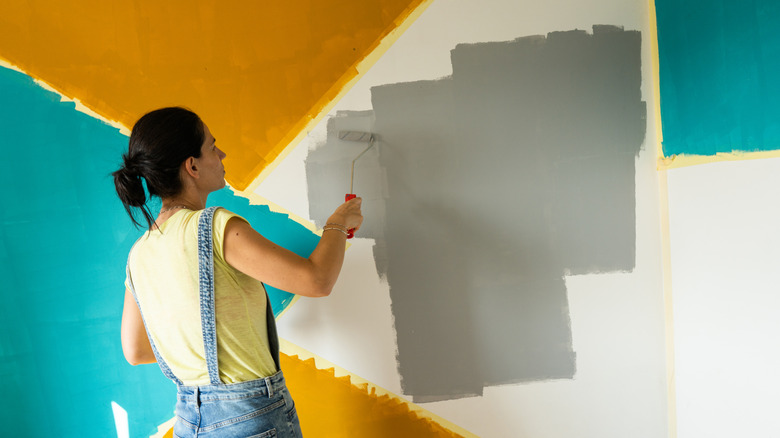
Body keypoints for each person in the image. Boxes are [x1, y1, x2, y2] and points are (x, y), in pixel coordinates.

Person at [113, 107, 362, 437]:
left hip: (189, 421)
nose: (222, 153)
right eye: (212, 146)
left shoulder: (139, 253)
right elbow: (317, 280)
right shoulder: (213, 226)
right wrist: (339, 223)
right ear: (192, 166)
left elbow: (136, 351)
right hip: (248, 419)